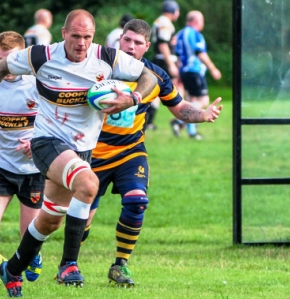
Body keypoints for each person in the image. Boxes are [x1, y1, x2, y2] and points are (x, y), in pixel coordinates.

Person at [0, 9, 157, 297]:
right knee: (89, 184)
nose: (81, 43)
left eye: (87, 37)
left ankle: (12, 268)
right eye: (75, 36)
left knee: (50, 219)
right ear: (63, 34)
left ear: (94, 36)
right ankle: (69, 264)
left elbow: (149, 76)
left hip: (81, 149)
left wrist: (133, 97)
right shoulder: (41, 56)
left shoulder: (108, 57)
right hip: (46, 142)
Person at [81, 19, 222, 287]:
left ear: (147, 46)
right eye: (127, 40)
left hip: (131, 151)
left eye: (137, 43)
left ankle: (120, 265)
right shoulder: (97, 69)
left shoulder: (155, 75)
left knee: (137, 201)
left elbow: (179, 108)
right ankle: (70, 264)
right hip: (93, 154)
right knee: (81, 218)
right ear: (118, 40)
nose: (131, 47)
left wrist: (203, 114)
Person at [0, 31, 44, 295]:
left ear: (23, 58)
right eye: (0, 61)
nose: (5, 68)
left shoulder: (38, 83)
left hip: (33, 169)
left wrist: (36, 143)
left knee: (30, 234)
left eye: (11, 61)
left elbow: (57, 124)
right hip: (0, 167)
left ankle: (32, 255)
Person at [174, 10, 222, 139]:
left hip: (184, 71)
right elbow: (200, 53)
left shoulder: (179, 34)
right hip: (194, 71)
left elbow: (178, 57)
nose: (203, 24)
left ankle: (192, 132)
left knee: (191, 100)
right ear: (196, 21)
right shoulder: (195, 34)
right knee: (204, 100)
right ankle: (179, 120)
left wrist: (179, 73)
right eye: (202, 21)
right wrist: (213, 69)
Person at [149, 0, 181, 130]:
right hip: (163, 60)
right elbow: (163, 44)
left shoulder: (159, 21)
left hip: (160, 59)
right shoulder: (165, 23)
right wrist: (171, 64)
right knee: (172, 89)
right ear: (174, 10)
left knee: (156, 92)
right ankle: (180, 120)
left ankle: (149, 121)